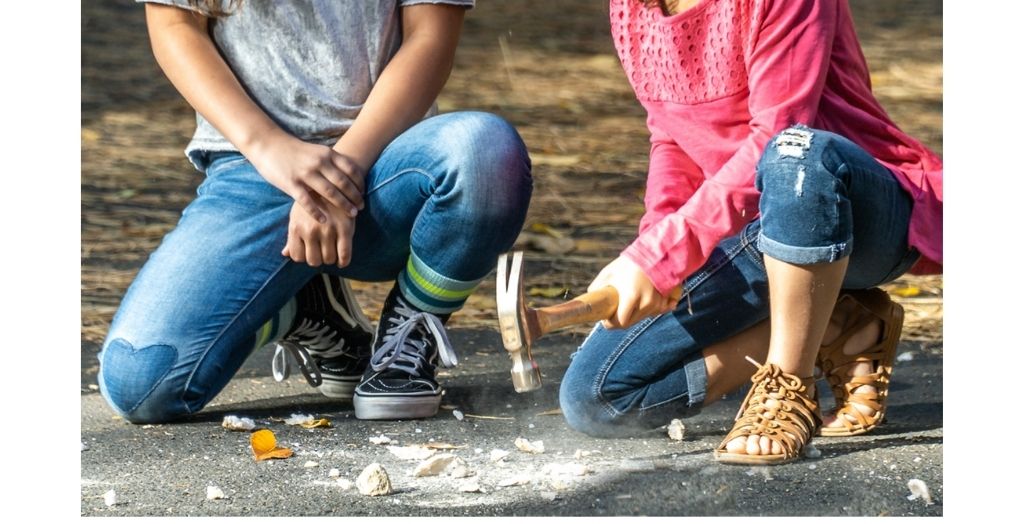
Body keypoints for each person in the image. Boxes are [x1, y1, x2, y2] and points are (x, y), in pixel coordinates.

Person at [97, 0, 532, 423]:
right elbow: (175, 25)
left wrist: (338, 180)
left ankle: (410, 331)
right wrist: (268, 146)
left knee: (484, 154)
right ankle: (303, 307)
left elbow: (430, 34)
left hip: (387, 165)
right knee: (140, 386)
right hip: (251, 166)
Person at [559, 0, 942, 464]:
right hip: (749, 230)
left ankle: (787, 386)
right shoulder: (631, 8)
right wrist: (656, 250)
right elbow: (671, 137)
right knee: (595, 399)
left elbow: (777, 131)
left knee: (795, 151)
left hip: (850, 208)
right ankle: (834, 320)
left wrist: (666, 252)